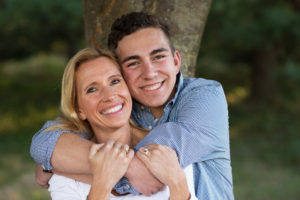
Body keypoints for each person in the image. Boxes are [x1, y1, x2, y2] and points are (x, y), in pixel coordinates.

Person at [30, 12, 234, 199]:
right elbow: (45, 141)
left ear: (176, 60)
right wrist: (52, 159)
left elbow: (151, 176)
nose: (149, 73)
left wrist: (57, 166)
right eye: (133, 63)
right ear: (122, 72)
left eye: (158, 56)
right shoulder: (120, 110)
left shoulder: (204, 97)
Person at [46, 47, 196, 200]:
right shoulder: (67, 179)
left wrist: (178, 184)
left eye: (115, 81)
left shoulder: (169, 146)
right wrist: (102, 184)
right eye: (92, 89)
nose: (109, 96)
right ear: (79, 110)